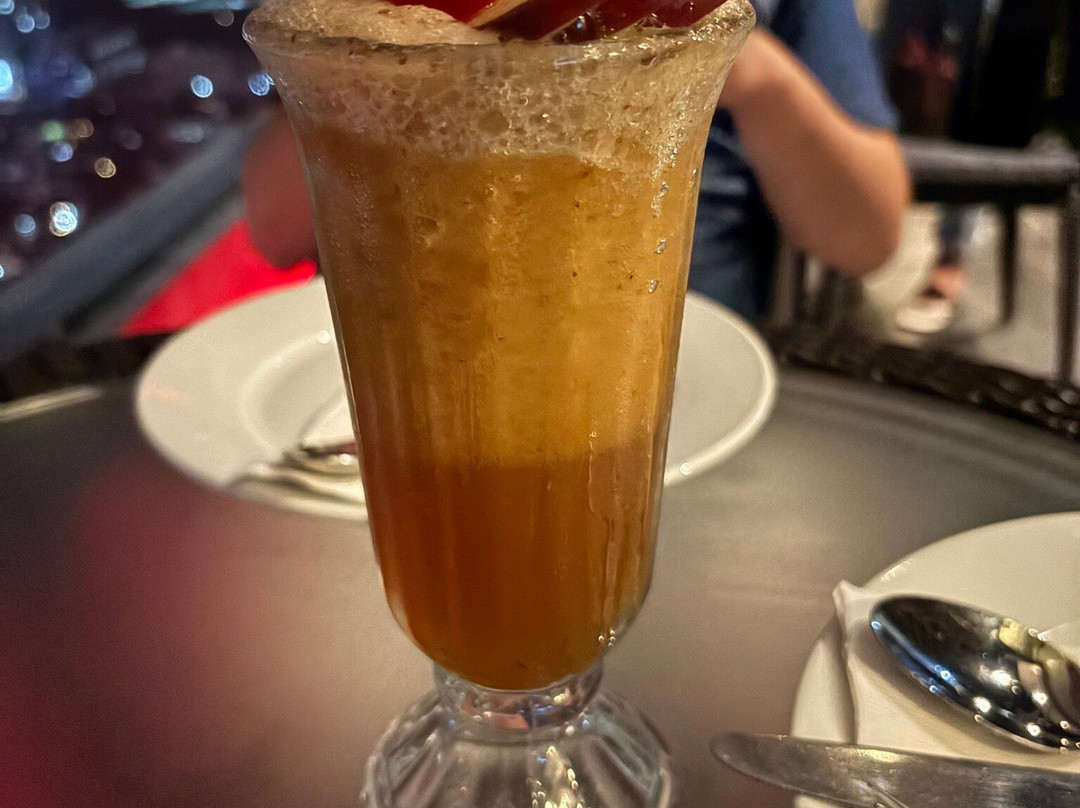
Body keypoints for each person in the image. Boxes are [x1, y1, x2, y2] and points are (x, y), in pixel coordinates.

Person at [243, 0, 911, 320]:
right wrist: (384, 77)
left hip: (672, 363)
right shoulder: (379, 13)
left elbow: (869, 237)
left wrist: (750, 71)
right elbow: (273, 230)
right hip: (413, 374)